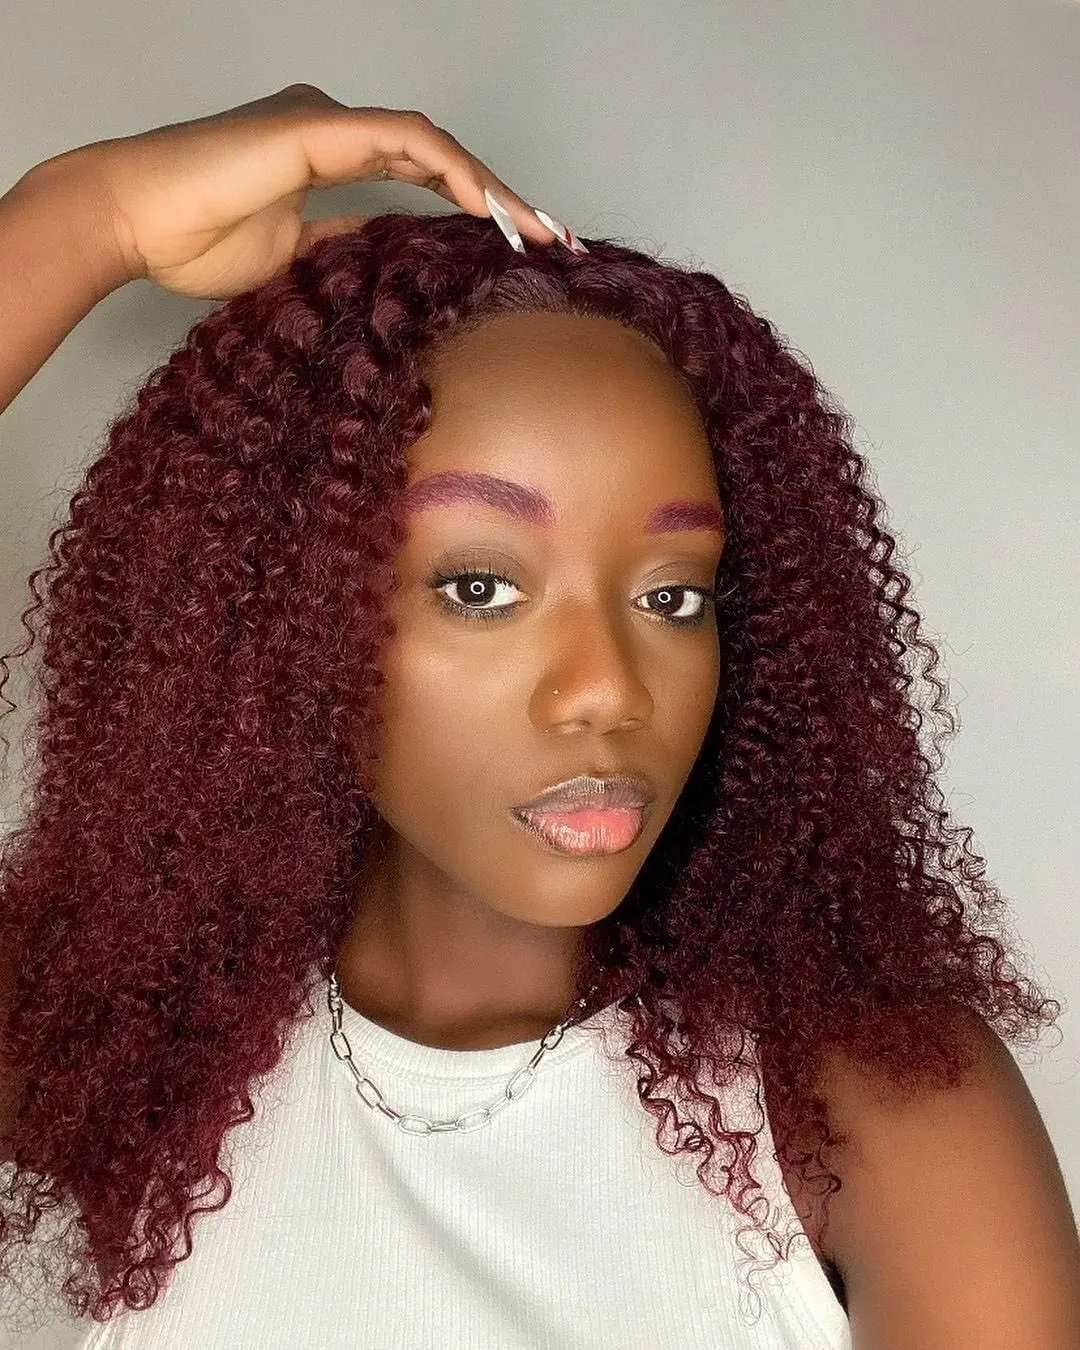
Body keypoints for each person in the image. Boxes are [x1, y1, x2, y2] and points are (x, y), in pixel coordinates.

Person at [0, 83, 1077, 1350]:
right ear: (281, 616)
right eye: (481, 587)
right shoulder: (129, 1042)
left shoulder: (875, 1112)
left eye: (672, 595)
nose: (611, 686)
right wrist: (89, 216)